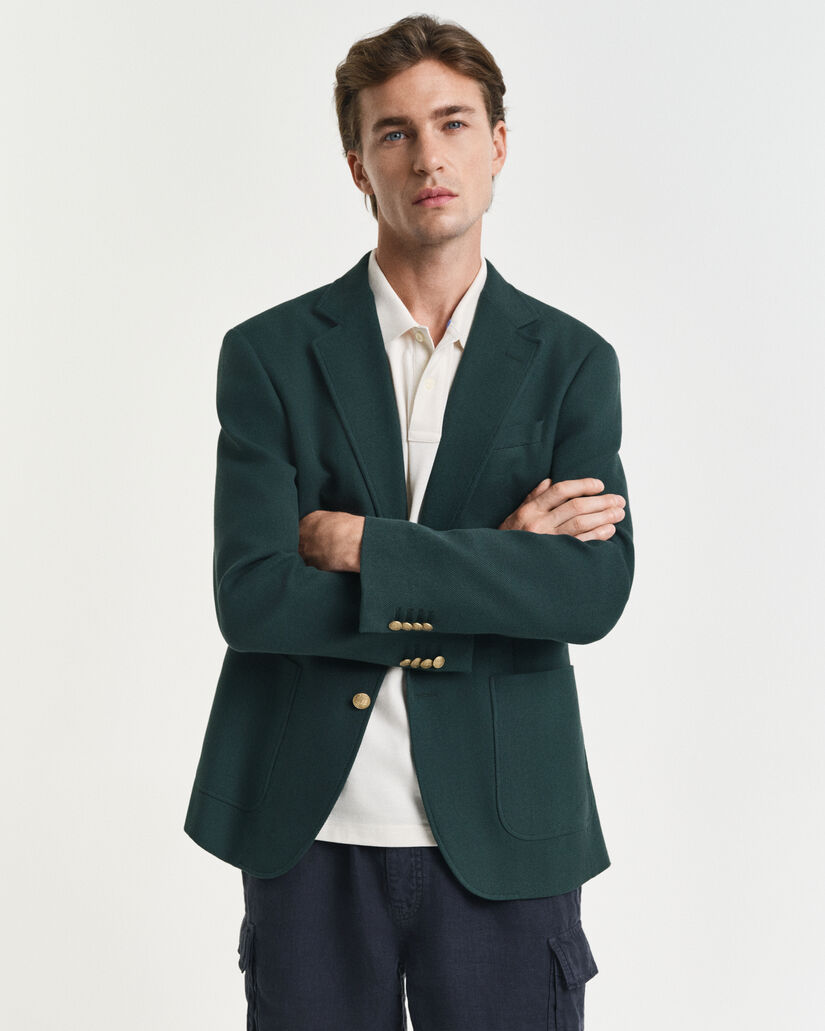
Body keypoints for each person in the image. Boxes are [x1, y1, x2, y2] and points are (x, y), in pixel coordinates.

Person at [184, 13, 634, 1030]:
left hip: (508, 826)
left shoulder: (570, 362)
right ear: (359, 164)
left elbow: (589, 591)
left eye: (453, 123)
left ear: (498, 144)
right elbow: (252, 598)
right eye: (395, 132)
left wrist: (362, 548)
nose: (429, 156)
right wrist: (499, 566)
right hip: (311, 826)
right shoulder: (269, 355)